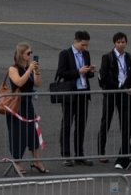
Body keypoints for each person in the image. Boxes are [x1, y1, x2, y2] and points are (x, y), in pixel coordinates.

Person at [4, 43, 47, 175]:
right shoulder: (13, 68)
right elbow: (19, 82)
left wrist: (37, 71)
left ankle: (37, 160)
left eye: (31, 52)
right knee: (17, 134)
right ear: (21, 55)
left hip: (28, 104)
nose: (30, 55)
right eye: (28, 53)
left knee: (33, 132)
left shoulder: (30, 67)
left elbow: (38, 84)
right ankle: (17, 162)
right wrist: (29, 71)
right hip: (17, 105)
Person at [96, 32, 131, 169]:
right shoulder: (107, 57)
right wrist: (115, 87)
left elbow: (129, 72)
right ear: (114, 43)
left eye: (123, 42)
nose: (121, 44)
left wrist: (127, 87)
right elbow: (104, 75)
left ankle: (125, 151)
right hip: (112, 93)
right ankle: (101, 151)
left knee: (125, 123)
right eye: (118, 42)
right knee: (106, 121)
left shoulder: (128, 57)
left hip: (124, 94)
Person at [56, 30, 95, 166]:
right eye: (83, 45)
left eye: (86, 45)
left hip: (83, 92)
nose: (85, 48)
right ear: (76, 41)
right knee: (67, 124)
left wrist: (90, 72)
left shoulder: (86, 54)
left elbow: (87, 74)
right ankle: (66, 154)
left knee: (81, 125)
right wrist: (78, 71)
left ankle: (79, 154)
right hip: (70, 94)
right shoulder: (65, 54)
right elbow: (61, 72)